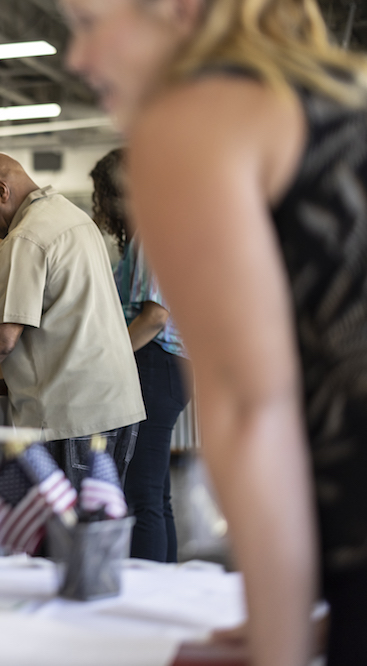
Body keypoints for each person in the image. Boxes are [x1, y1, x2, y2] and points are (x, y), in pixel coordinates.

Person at [62, 0, 367, 664]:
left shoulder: (191, 121)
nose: (74, 57)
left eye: (87, 22)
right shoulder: (338, 95)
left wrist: (276, 645)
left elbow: (256, 408)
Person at [0, 152, 146, 489]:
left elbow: (1, 339)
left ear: (0, 190)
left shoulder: (25, 238)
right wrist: (13, 384)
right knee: (97, 533)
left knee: (64, 538)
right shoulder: (74, 219)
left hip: (73, 422)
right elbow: (73, 325)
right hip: (116, 409)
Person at [90, 147, 191, 562]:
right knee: (155, 493)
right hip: (171, 365)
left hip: (156, 360)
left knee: (140, 493)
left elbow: (153, 316)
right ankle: (165, 586)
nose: (102, 206)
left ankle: (148, 594)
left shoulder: (154, 230)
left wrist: (109, 359)